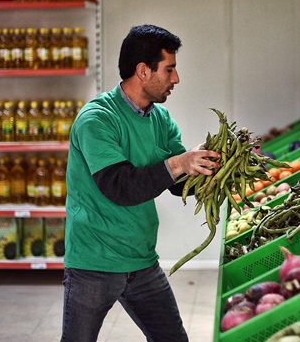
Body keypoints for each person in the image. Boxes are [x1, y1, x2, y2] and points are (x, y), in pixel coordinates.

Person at [60, 24, 221, 342]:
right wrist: (178, 163)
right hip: (95, 261)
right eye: (170, 69)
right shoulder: (97, 119)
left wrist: (216, 169)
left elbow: (178, 183)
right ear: (143, 71)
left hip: (141, 259)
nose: (176, 79)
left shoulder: (159, 119)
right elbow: (120, 187)